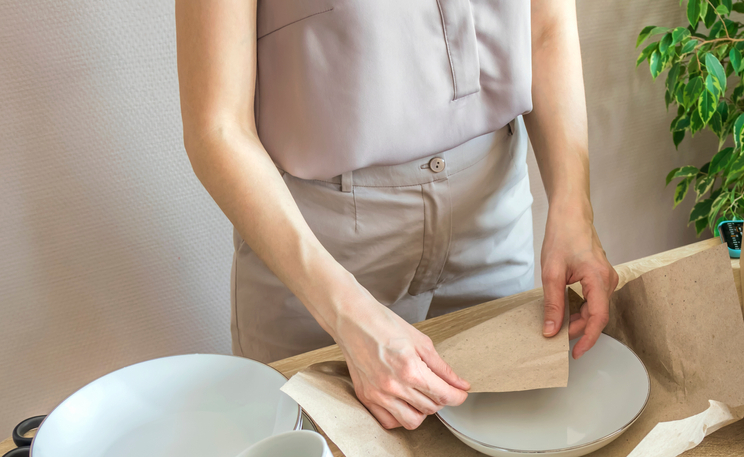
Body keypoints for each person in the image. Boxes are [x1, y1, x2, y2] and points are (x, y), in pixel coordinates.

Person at [175, 0, 618, 431]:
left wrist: (573, 206)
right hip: (321, 250)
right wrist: (346, 315)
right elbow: (218, 127)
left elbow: (545, 27)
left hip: (494, 216)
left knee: (524, 449)